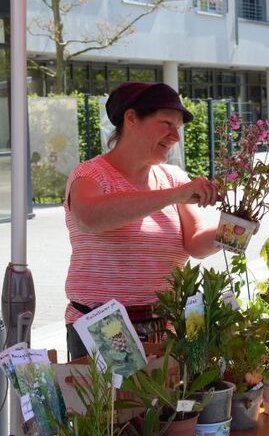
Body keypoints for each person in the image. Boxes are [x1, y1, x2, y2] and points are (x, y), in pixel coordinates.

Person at [64, 82, 220, 359]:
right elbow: (90, 217)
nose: (175, 136)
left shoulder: (172, 178)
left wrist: (234, 229)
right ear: (131, 118)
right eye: (166, 124)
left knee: (168, 402)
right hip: (104, 324)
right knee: (117, 403)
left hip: (166, 324)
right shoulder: (90, 175)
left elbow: (195, 243)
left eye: (178, 128)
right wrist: (176, 195)